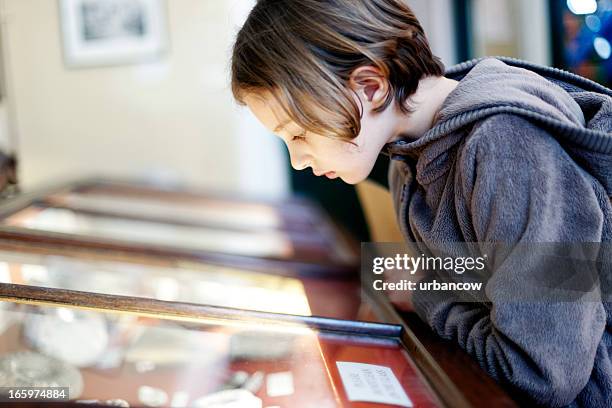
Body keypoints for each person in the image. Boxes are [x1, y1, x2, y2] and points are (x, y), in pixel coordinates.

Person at [230, 1, 612, 407]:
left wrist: (424, 292)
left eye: (300, 133)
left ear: (371, 87)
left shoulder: (509, 148)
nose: (298, 160)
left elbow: (539, 374)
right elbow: (491, 272)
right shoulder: (406, 159)